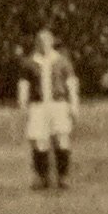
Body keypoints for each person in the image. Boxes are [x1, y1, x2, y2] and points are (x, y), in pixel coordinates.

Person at [17, 29, 79, 189]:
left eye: (46, 41)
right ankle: (42, 177)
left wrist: (74, 105)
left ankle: (63, 177)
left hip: (58, 104)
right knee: (39, 141)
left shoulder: (61, 61)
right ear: (37, 43)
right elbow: (24, 85)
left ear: (52, 42)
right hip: (38, 106)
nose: (43, 44)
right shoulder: (30, 63)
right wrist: (23, 104)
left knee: (61, 139)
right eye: (40, 41)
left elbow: (71, 84)